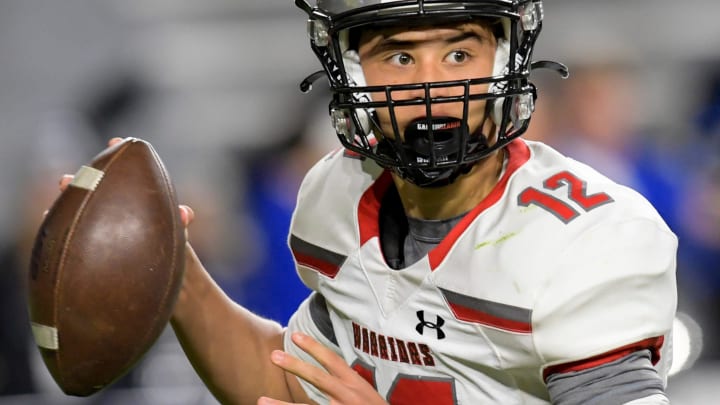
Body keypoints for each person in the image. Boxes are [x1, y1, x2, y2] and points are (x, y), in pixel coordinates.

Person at [58, 1, 677, 403]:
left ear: (508, 63)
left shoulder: (585, 238)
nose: (431, 87)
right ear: (352, 75)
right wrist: (178, 274)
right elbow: (293, 385)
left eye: (459, 53)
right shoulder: (336, 194)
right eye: (399, 55)